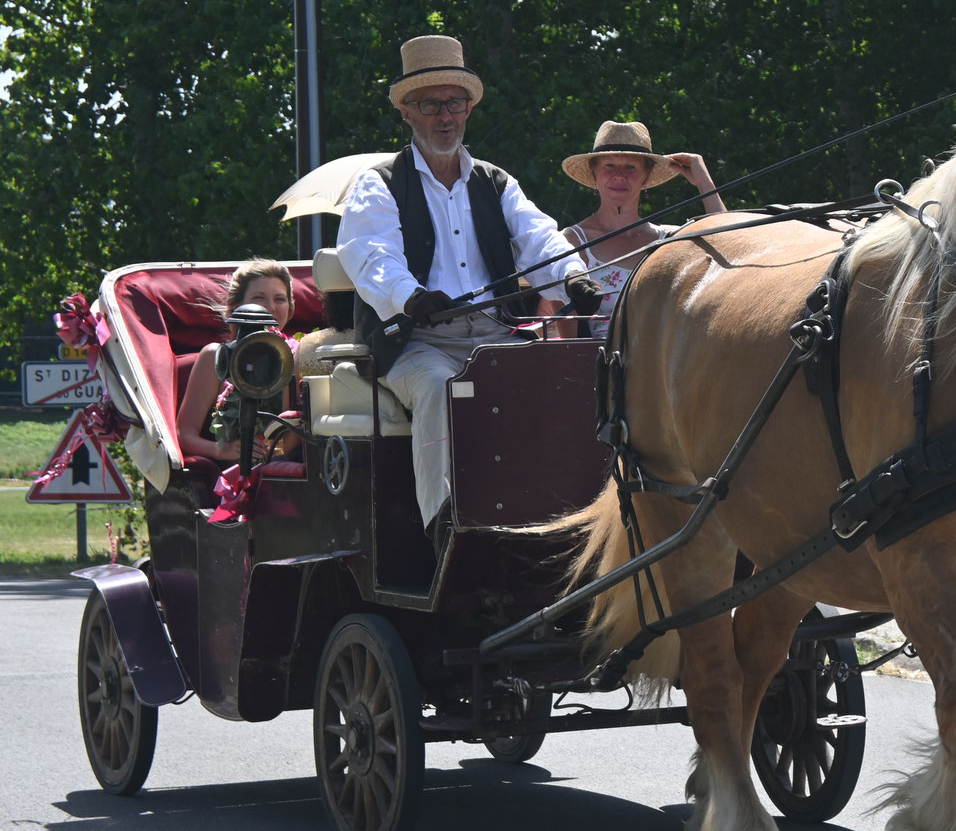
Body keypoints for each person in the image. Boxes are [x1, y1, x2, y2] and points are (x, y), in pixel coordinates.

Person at [335, 34, 597, 553]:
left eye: (454, 103)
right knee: (439, 387)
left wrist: (571, 276)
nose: (444, 115)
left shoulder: (497, 183)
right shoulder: (379, 183)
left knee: (560, 379)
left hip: (495, 336)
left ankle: (564, 519)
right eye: (430, 105)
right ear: (407, 113)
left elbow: (537, 237)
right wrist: (413, 298)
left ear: (470, 108)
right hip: (416, 343)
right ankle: (446, 531)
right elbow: (369, 255)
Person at [556, 120, 725, 337]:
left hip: (664, 365)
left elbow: (727, 242)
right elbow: (566, 341)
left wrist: (704, 182)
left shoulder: (668, 239)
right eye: (609, 165)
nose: (619, 175)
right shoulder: (573, 241)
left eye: (631, 167)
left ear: (645, 177)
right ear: (594, 174)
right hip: (598, 365)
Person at [175, 258, 300, 468]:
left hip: (281, 470)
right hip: (231, 474)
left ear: (290, 308)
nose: (270, 308)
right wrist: (221, 449)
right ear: (236, 306)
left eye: (280, 299)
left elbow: (291, 439)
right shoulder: (214, 356)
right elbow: (184, 434)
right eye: (259, 298)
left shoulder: (299, 356)